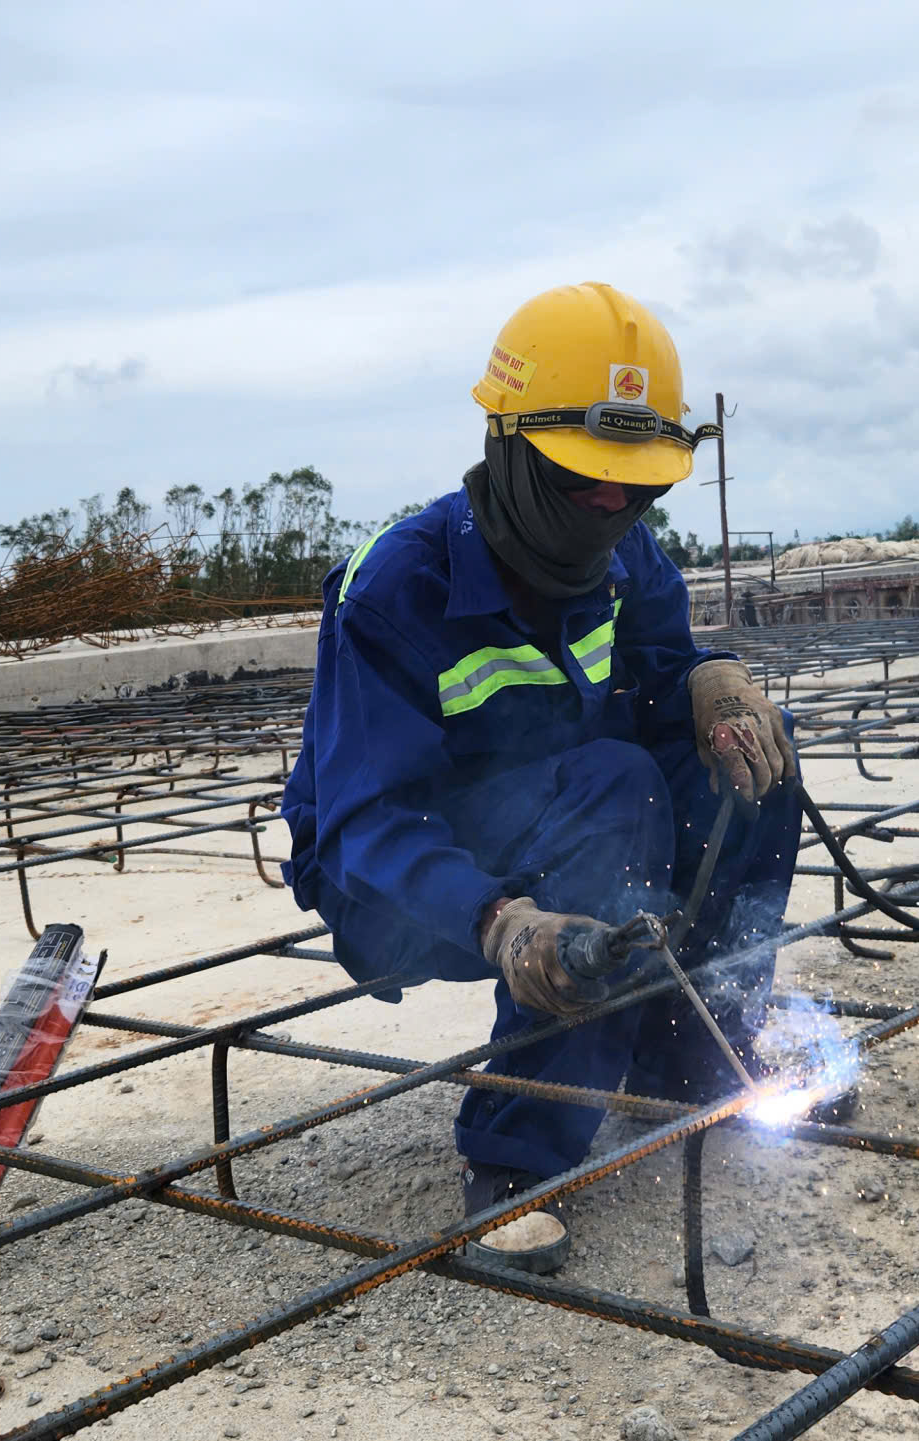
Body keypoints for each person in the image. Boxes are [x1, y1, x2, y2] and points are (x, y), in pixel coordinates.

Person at [280, 282, 828, 1277]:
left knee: (753, 756)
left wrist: (708, 680)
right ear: (512, 448)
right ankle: (515, 1152)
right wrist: (497, 919)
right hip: (403, 885)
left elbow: (662, 676)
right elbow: (362, 819)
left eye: (636, 485)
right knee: (617, 788)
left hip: (578, 815)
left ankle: (693, 1051)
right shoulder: (399, 588)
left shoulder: (629, 559)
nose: (614, 505)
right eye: (588, 483)